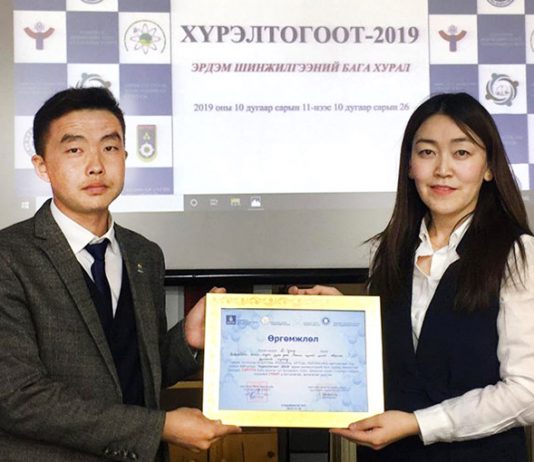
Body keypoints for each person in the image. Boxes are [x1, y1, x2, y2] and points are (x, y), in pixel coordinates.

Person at [0, 87, 240, 461]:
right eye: (75, 150)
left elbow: (132, 372)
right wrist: (159, 428)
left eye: (110, 147)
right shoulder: (9, 257)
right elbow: (17, 398)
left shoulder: (144, 254)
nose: (96, 165)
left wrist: (187, 340)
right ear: (42, 166)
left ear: (125, 156)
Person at [291, 92, 534, 461]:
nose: (443, 169)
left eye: (462, 152)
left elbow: (526, 391)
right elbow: (405, 357)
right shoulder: (388, 250)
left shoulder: (518, 254)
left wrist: (419, 423)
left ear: (489, 168)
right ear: (409, 166)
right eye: (427, 152)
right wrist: (347, 319)